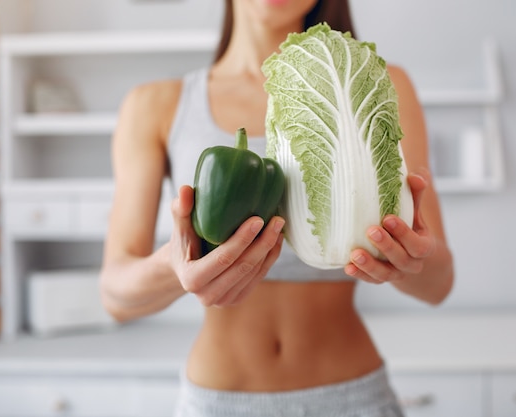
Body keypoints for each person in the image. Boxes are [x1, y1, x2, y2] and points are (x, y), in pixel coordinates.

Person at [100, 0, 454, 416]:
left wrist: (408, 259)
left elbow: (438, 285)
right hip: (217, 401)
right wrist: (175, 268)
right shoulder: (155, 104)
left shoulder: (375, 83)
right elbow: (115, 295)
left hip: (353, 397)